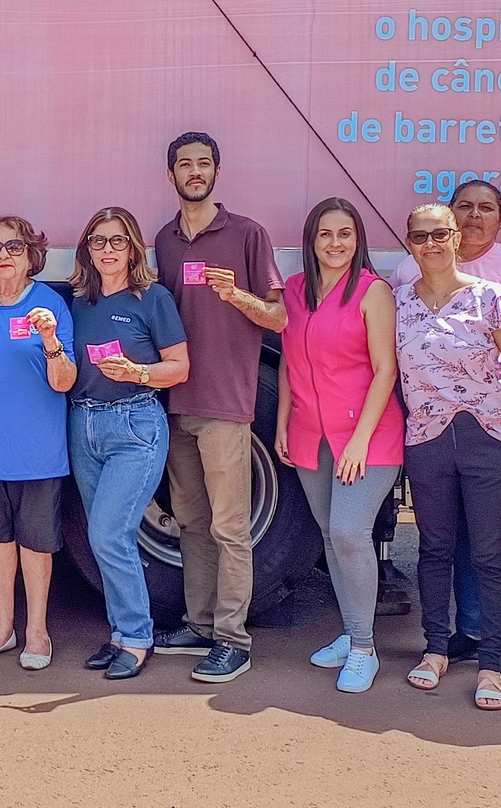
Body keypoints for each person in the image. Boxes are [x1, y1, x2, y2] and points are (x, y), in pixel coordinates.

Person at [390, 178, 501, 674]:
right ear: (410, 243)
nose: (432, 244)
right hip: (427, 440)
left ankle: (494, 659)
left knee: (491, 551)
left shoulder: (492, 296)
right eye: (421, 236)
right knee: (435, 549)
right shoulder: (395, 301)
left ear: (456, 238)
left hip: (490, 439)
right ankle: (437, 648)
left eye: (441, 234)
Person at [150, 130, 286, 686]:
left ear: (217, 172)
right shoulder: (162, 240)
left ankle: (234, 640)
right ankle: (199, 623)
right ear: (172, 175)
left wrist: (237, 296)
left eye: (204, 163)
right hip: (176, 400)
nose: (195, 172)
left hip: (227, 403)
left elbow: (277, 319)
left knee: (231, 527)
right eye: (185, 164)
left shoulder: (247, 234)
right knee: (192, 521)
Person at [278, 198, 404, 693]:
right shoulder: (294, 291)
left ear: (358, 240)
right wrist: (284, 424)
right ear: (311, 240)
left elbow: (385, 371)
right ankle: (352, 632)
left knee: (350, 533)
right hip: (312, 433)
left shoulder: (373, 293)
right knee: (330, 536)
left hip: (366, 437)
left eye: (345, 234)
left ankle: (364, 649)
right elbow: (289, 366)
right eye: (326, 234)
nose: (336, 244)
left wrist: (359, 442)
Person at [69, 207, 189, 681]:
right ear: (87, 250)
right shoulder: (80, 301)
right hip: (84, 425)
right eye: (98, 242)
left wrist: (139, 372)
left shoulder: (152, 298)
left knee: (108, 534)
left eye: (117, 241)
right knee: (103, 538)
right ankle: (120, 633)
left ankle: (138, 637)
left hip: (135, 426)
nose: (108, 250)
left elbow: (179, 366)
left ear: (134, 248)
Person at [0, 215, 76, 671]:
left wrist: (49, 339)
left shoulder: (50, 305)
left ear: (31, 255)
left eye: (13, 247)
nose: (3, 256)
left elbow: (64, 381)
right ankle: (2, 628)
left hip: (37, 450)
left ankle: (37, 632)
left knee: (36, 544)